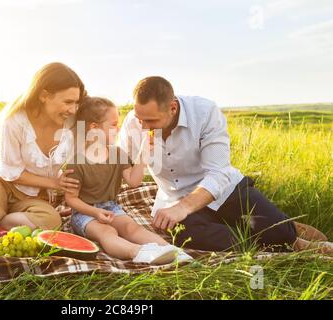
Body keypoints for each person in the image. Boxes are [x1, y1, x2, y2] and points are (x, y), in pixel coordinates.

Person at [119, 76, 331, 253]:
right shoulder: (134, 122)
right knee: (186, 236)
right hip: (174, 198)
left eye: (152, 121)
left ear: (172, 108)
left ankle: (287, 233)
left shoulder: (204, 113)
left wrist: (183, 208)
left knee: (281, 232)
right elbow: (119, 163)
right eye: (140, 119)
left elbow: (219, 174)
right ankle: (267, 241)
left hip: (225, 190)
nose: (144, 126)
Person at [0, 62, 84, 238]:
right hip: (3, 183)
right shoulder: (14, 120)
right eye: (68, 102)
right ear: (44, 95)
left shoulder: (72, 123)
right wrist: (55, 183)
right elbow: (11, 172)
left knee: (52, 222)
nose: (73, 109)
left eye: (76, 102)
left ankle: (0, 219)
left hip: (36, 197)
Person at [64, 96, 193, 265]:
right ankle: (140, 253)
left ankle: (173, 251)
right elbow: (71, 199)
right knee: (107, 232)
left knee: (131, 228)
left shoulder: (118, 154)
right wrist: (95, 213)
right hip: (85, 214)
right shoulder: (76, 161)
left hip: (111, 207)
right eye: (113, 124)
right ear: (94, 128)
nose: (118, 129)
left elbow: (133, 182)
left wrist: (143, 153)